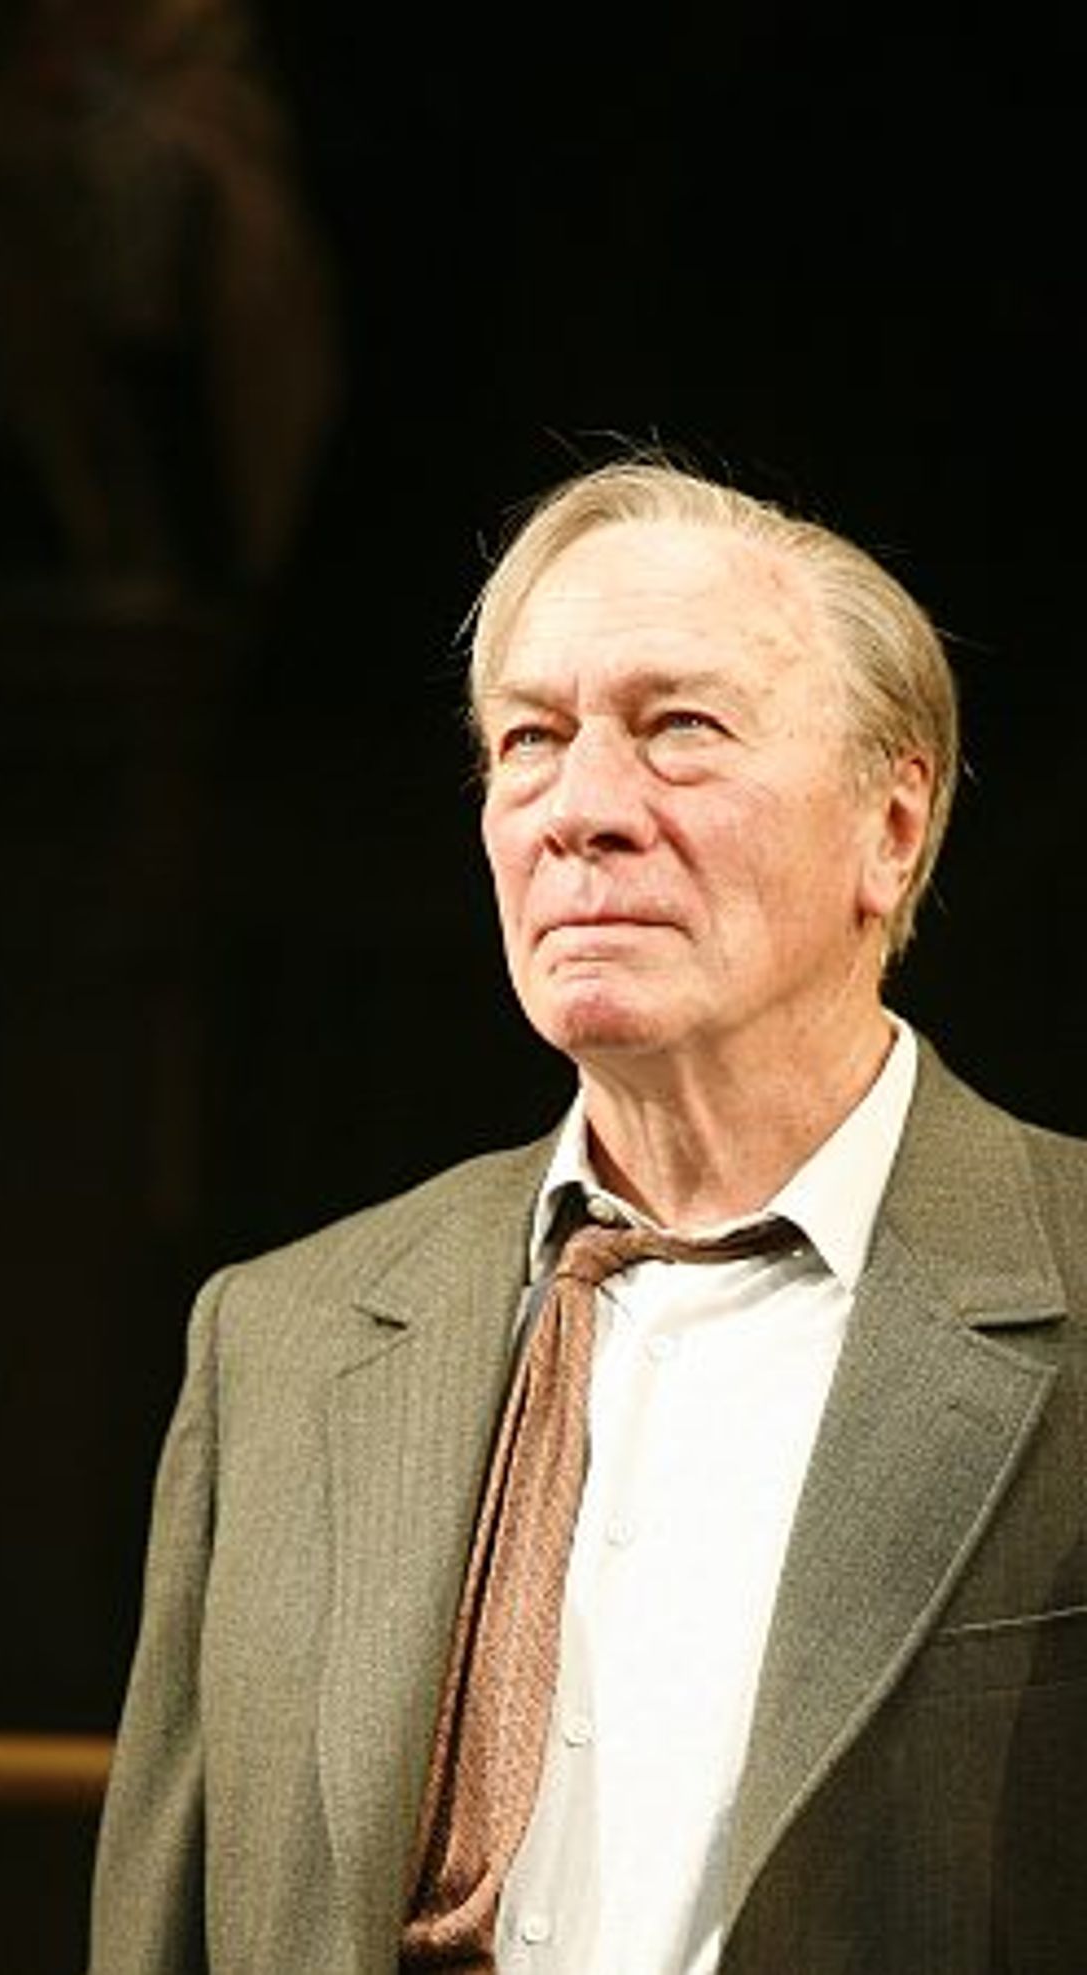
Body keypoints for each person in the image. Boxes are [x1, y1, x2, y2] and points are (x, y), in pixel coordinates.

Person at [88, 460, 1087, 1974]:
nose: (583, 812)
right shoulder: (278, 1337)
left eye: (680, 729)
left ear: (893, 824)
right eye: (530, 741)